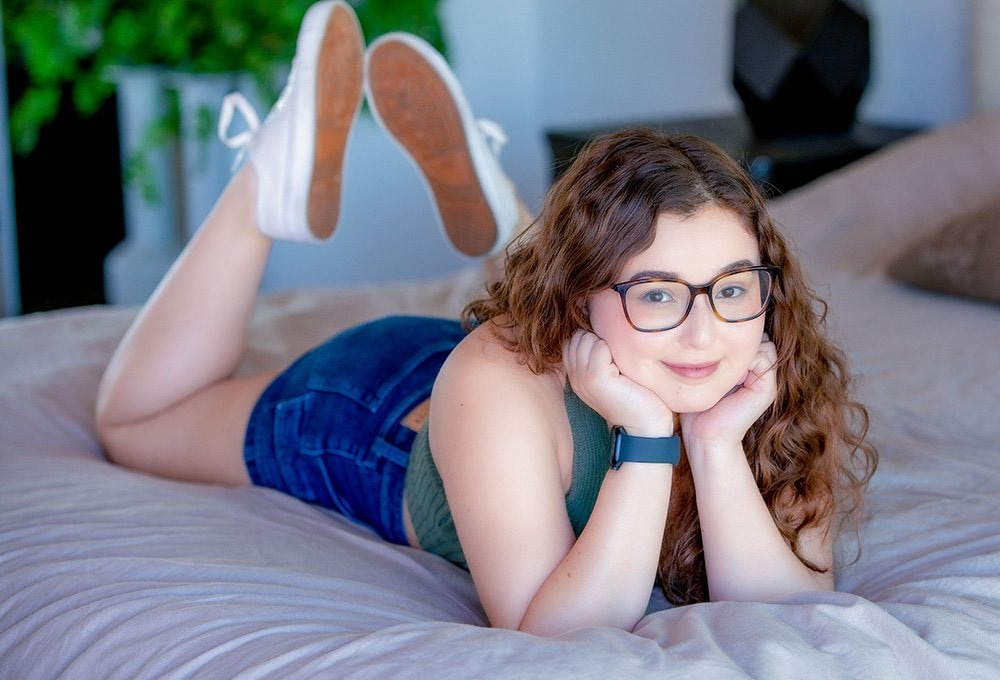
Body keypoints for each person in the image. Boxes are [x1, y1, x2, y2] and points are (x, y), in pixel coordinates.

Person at [95, 1, 877, 637]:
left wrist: (712, 444)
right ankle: (262, 185)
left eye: (731, 289)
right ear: (583, 302)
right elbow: (557, 630)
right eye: (658, 294)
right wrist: (645, 438)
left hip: (524, 376)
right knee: (135, 421)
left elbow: (791, 605)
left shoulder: (771, 373)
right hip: (381, 415)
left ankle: (515, 230)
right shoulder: (496, 379)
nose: (706, 333)